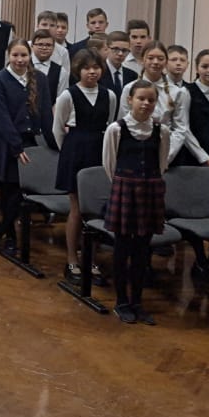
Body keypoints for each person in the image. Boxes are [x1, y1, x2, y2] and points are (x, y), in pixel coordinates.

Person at [104, 80, 170, 325]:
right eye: (141, 98)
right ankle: (122, 301)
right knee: (122, 248)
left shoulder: (161, 131)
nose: (146, 103)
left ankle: (138, 302)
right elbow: (109, 164)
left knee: (143, 249)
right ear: (130, 100)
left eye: (151, 100)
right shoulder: (116, 129)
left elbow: (162, 163)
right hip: (125, 189)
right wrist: (125, 183)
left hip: (150, 189)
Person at [52, 50, 118, 282]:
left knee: (96, 209)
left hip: (99, 151)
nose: (92, 72)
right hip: (75, 151)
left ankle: (91, 258)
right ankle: (72, 259)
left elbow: (111, 124)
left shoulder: (109, 95)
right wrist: (69, 152)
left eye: (96, 67)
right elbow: (58, 129)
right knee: (77, 209)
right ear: (78, 70)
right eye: (87, 68)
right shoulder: (68, 95)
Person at [0, 39, 48, 258]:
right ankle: (9, 236)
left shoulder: (40, 79)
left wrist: (52, 143)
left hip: (31, 143)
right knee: (9, 192)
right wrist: (16, 147)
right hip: (7, 143)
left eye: (24, 55)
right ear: (8, 56)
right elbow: (1, 117)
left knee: (21, 194)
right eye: (15, 55)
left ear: (30, 56)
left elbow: (46, 114)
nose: (20, 60)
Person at [124, 41, 209, 168]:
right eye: (150, 58)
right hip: (134, 151)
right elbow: (123, 122)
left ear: (165, 62)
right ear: (143, 60)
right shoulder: (129, 88)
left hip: (167, 152)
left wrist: (165, 157)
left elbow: (180, 128)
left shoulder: (178, 92)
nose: (155, 62)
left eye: (160, 58)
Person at [183, 49, 209, 156]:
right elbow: (184, 129)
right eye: (204, 66)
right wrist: (203, 158)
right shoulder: (185, 91)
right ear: (197, 68)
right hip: (193, 156)